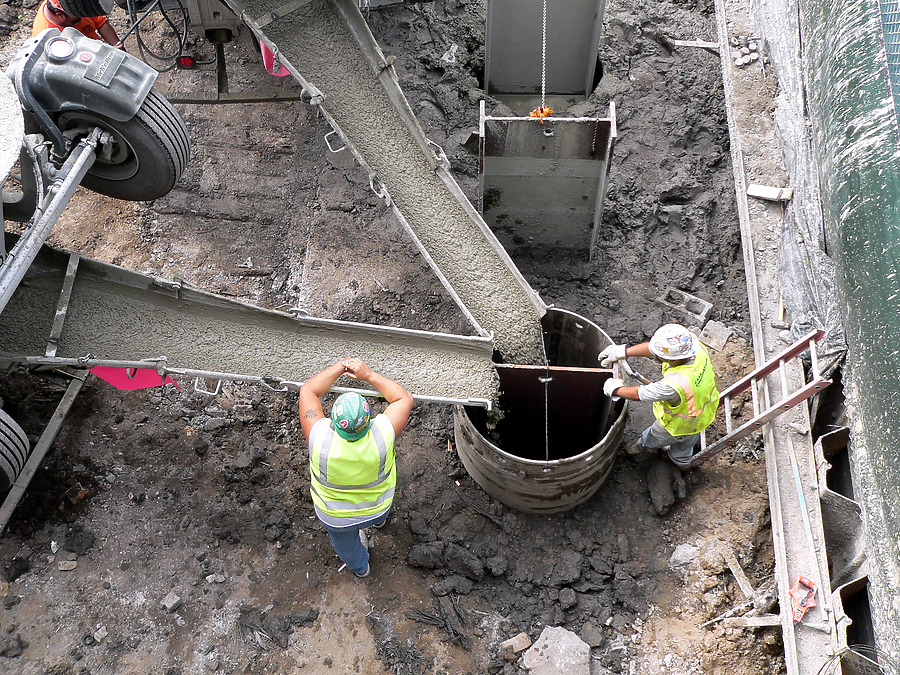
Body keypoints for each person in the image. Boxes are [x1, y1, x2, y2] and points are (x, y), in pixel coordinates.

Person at [299, 358, 413, 578]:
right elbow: (403, 398)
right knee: (378, 516)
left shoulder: (319, 438)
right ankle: (379, 523)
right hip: (378, 506)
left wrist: (342, 366)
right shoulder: (382, 435)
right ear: (369, 420)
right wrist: (367, 374)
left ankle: (361, 568)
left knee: (347, 547)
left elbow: (308, 390)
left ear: (333, 421)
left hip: (336, 518)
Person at [599, 324, 719, 471]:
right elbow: (653, 348)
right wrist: (622, 352)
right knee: (688, 439)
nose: (655, 354)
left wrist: (616, 389)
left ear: (672, 360)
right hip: (703, 410)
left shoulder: (674, 385)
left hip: (680, 424)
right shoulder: (693, 347)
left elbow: (638, 394)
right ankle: (683, 457)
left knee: (657, 437)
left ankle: (671, 459)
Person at [32, 0, 122, 48]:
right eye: (77, 15)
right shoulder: (48, 38)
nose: (83, 17)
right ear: (60, 15)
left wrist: (118, 48)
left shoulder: (76, 6)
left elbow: (101, 23)